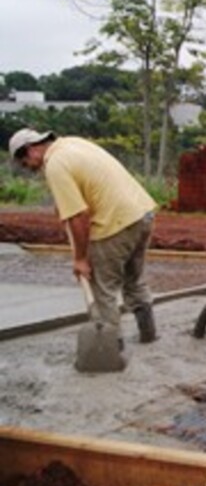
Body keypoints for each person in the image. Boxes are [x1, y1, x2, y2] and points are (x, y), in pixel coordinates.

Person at [9, 128, 159, 358]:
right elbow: (83, 190)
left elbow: (79, 216)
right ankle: (148, 336)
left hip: (115, 222)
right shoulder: (73, 143)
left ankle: (110, 352)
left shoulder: (55, 164)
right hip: (142, 214)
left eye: (25, 162)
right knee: (134, 280)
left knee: (102, 291)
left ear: (30, 150)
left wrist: (80, 259)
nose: (29, 168)